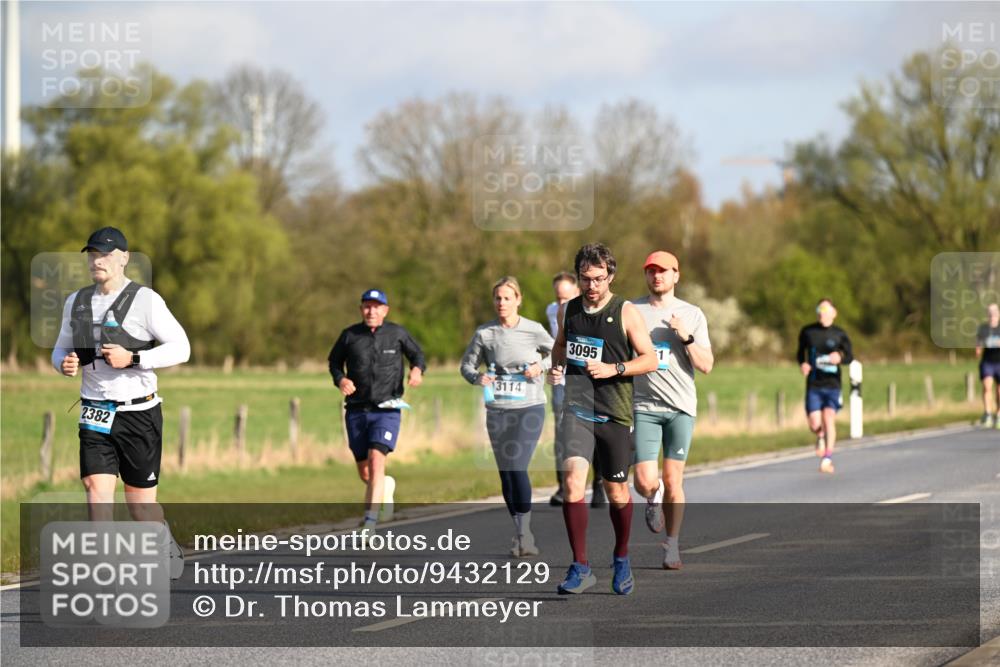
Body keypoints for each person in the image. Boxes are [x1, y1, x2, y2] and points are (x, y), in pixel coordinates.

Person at [52, 227, 191, 579]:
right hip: (94, 411)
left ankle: (160, 539)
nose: (97, 261)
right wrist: (64, 363)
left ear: (124, 258)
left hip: (138, 413)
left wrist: (134, 359)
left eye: (105, 254)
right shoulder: (76, 301)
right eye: (92, 254)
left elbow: (181, 348)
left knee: (140, 509)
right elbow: (60, 348)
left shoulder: (146, 301)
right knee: (96, 493)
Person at [548, 243, 658, 595]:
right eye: (585, 278)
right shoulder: (569, 309)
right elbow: (561, 345)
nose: (591, 285)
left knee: (617, 491)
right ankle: (580, 566)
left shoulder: (624, 311)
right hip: (577, 410)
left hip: (614, 412)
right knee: (572, 485)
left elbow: (650, 359)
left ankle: (621, 556)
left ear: (610, 275)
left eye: (598, 278)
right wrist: (556, 367)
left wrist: (615, 368)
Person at [631, 251, 713, 570]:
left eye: (663, 271)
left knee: (673, 477)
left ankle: (672, 546)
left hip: (680, 408)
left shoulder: (692, 314)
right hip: (644, 406)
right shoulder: (632, 311)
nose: (657, 276)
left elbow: (706, 365)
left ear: (676, 275)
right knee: (643, 480)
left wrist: (686, 338)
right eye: (651, 271)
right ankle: (653, 498)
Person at [461, 277, 554, 557]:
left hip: (530, 407)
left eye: (507, 298)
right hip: (497, 409)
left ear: (518, 300)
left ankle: (526, 533)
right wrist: (478, 377)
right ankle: (519, 532)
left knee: (516, 465)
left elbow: (558, 354)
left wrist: (541, 366)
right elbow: (466, 365)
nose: (502, 303)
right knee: (505, 473)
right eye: (498, 298)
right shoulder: (484, 333)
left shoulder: (533, 330)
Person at [328, 289, 426, 535]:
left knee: (376, 460)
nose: (371, 311)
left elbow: (418, 356)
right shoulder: (350, 335)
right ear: (361, 309)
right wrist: (341, 380)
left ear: (385, 310)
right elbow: (334, 363)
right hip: (357, 410)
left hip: (387, 409)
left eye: (376, 307)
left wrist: (416, 371)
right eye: (366, 307)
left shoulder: (397, 333)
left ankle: (369, 524)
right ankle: (386, 487)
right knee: (365, 471)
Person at [546, 272, 607, 507]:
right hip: (562, 380)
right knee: (562, 432)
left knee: (595, 431)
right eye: (558, 298)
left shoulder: (586, 312)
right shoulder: (553, 311)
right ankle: (564, 485)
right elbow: (555, 344)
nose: (562, 303)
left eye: (566, 298)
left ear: (577, 292)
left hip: (590, 380)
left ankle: (598, 484)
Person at [796, 299, 854, 474]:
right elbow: (800, 353)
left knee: (829, 417)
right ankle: (820, 435)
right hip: (813, 383)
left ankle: (827, 458)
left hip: (832, 384)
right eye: (819, 309)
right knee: (815, 423)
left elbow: (850, 356)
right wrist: (803, 364)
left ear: (833, 313)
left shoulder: (840, 334)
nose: (822, 313)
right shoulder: (808, 332)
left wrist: (841, 358)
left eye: (826, 309)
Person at [975, 303, 1000, 429]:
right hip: (988, 362)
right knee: (987, 386)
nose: (992, 316)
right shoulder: (983, 329)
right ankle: (988, 413)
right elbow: (978, 346)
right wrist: (978, 348)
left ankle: (999, 414)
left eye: (995, 313)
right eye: (990, 314)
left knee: (999, 391)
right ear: (988, 315)